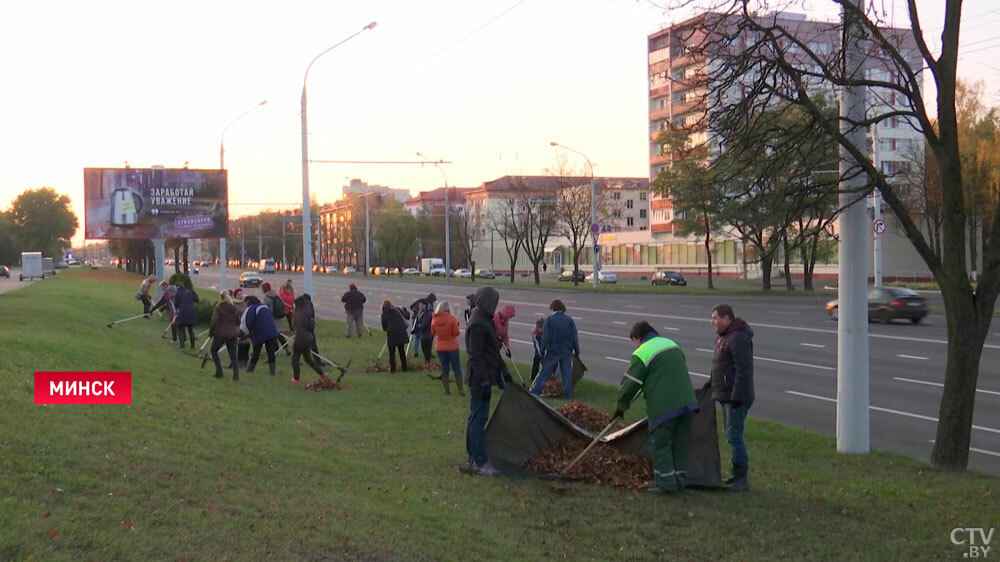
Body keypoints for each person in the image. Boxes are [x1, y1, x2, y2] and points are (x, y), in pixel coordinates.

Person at [614, 321, 699, 494]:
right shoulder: (671, 344)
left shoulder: (643, 352)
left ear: (638, 337)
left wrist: (621, 406)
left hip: (664, 405)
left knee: (662, 444)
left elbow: (631, 384)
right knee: (680, 443)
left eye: (634, 342)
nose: (635, 346)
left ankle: (666, 484)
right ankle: (680, 481)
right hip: (688, 403)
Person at [464, 286, 510, 476]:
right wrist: (483, 380)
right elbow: (476, 355)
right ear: (486, 302)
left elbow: (492, 351)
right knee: (478, 418)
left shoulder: (484, 320)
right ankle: (478, 461)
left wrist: (503, 372)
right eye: (493, 302)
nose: (495, 306)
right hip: (479, 379)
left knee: (477, 417)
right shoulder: (477, 323)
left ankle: (475, 456)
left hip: (485, 377)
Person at [710, 304, 755, 492]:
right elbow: (721, 366)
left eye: (716, 318)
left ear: (727, 318)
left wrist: (736, 397)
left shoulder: (737, 338)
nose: (713, 322)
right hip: (726, 395)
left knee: (734, 436)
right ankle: (736, 476)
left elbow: (743, 370)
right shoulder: (725, 337)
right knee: (731, 435)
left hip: (735, 397)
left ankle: (741, 479)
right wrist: (711, 384)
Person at [529, 299, 580, 399]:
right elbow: (574, 337)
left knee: (545, 373)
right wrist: (577, 351)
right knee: (566, 374)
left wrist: (543, 350)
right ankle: (568, 395)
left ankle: (535, 392)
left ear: (553, 308)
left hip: (553, 351)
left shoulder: (550, 320)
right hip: (566, 351)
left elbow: (546, 337)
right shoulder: (569, 320)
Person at [430, 301, 464, 396]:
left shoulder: (434, 320)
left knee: (445, 369)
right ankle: (460, 390)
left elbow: (432, 333)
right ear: (448, 309)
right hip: (452, 346)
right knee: (456, 369)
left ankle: (447, 391)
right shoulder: (452, 319)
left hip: (440, 346)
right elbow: (456, 333)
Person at [241, 295, 280, 375]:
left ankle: (250, 370)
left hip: (260, 333)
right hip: (272, 332)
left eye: (245, 302)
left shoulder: (251, 308)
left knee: (256, 352)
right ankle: (272, 372)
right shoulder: (265, 307)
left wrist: (245, 334)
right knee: (270, 352)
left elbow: (247, 322)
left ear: (248, 301)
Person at [291, 293, 326, 384]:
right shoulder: (307, 311)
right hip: (309, 337)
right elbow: (311, 326)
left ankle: (296, 379)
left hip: (300, 338)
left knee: (295, 359)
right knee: (308, 360)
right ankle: (322, 375)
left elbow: (294, 326)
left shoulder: (298, 313)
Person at [208, 291, 240, 381]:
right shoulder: (234, 308)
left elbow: (214, 321)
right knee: (233, 355)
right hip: (232, 334)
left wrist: (211, 332)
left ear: (221, 298)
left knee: (214, 351)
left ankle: (219, 372)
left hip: (220, 333)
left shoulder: (218, 307)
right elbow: (238, 322)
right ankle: (236, 376)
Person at [262, 282, 292, 356]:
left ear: (264, 289)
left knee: (273, 335)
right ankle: (286, 348)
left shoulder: (266, 297)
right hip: (279, 316)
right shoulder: (276, 295)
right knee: (279, 334)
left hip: (271, 318)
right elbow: (282, 303)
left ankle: (276, 350)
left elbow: (265, 309)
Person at [381, 300, 410, 373]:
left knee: (392, 353)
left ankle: (393, 369)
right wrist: (405, 309)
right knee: (401, 351)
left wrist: (387, 329)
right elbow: (407, 316)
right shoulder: (398, 309)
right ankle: (404, 368)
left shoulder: (384, 314)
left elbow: (384, 327)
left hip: (392, 334)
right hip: (401, 333)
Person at [173, 284, 200, 349]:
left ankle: (182, 345)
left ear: (177, 287)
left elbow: (175, 304)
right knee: (190, 329)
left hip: (182, 313)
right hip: (191, 312)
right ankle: (192, 345)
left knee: (180, 328)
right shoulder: (191, 291)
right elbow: (197, 299)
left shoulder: (177, 293)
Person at [415, 299, 435, 368]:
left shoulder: (428, 313)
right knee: (425, 349)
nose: (419, 306)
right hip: (424, 334)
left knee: (426, 350)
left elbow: (424, 324)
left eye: (420, 305)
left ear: (424, 305)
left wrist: (418, 325)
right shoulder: (422, 313)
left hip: (428, 334)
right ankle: (427, 362)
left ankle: (428, 363)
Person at [530, 318, 546, 383]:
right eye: (538, 327)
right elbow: (536, 344)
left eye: (541, 327)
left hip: (545, 346)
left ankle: (547, 377)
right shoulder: (534, 332)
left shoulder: (547, 331)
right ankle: (533, 377)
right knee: (536, 359)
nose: (540, 329)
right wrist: (539, 353)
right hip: (538, 346)